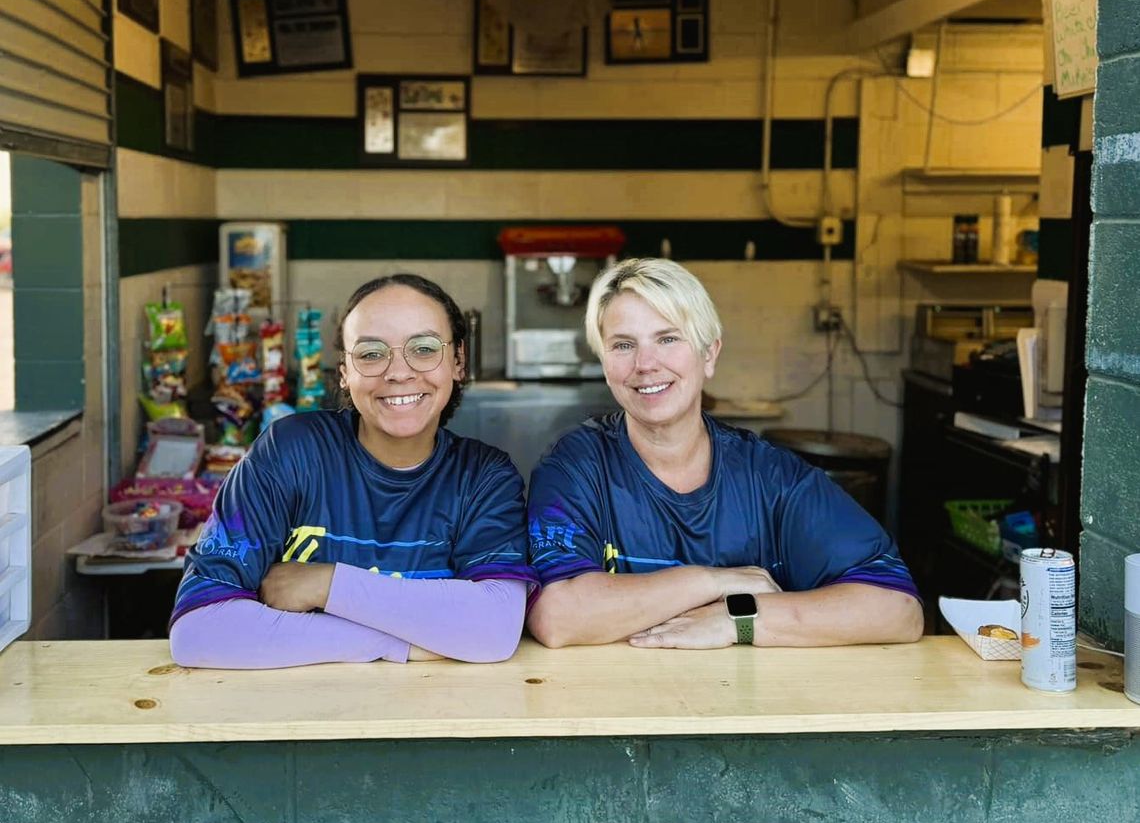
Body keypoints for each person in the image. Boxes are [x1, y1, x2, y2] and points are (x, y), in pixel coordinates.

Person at [525, 258, 923, 650]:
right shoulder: (576, 467)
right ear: (605, 363)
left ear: (709, 354)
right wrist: (713, 581)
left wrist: (739, 619)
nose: (645, 364)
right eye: (623, 345)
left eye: (667, 338)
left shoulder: (770, 478)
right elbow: (556, 617)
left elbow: (898, 608)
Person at [170, 274, 537, 668]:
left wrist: (326, 585)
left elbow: (494, 630)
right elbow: (199, 631)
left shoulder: (484, 478)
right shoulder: (291, 452)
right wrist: (402, 643)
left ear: (458, 362)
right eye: (371, 354)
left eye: (425, 348)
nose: (398, 372)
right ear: (344, 370)